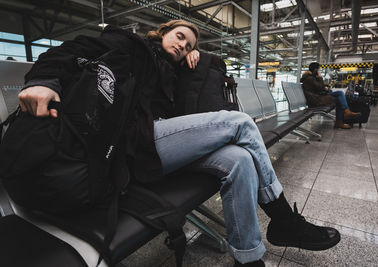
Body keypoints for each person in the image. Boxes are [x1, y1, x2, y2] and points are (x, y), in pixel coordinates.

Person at [18, 20, 340, 267]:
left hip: (160, 147)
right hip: (134, 147)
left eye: (189, 46)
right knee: (241, 123)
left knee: (239, 160)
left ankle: (249, 257)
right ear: (163, 32)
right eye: (180, 38)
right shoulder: (131, 45)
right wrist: (41, 82)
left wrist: (199, 59)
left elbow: (206, 88)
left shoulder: (174, 72)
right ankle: (284, 220)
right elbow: (66, 51)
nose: (183, 47)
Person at [301, 62, 360, 129]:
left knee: (340, 93)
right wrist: (320, 78)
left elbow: (319, 88)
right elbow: (320, 88)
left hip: (318, 97)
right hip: (316, 100)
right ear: (315, 70)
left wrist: (325, 87)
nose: (319, 71)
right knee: (339, 99)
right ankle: (341, 119)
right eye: (318, 69)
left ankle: (346, 113)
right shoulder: (310, 79)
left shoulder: (312, 78)